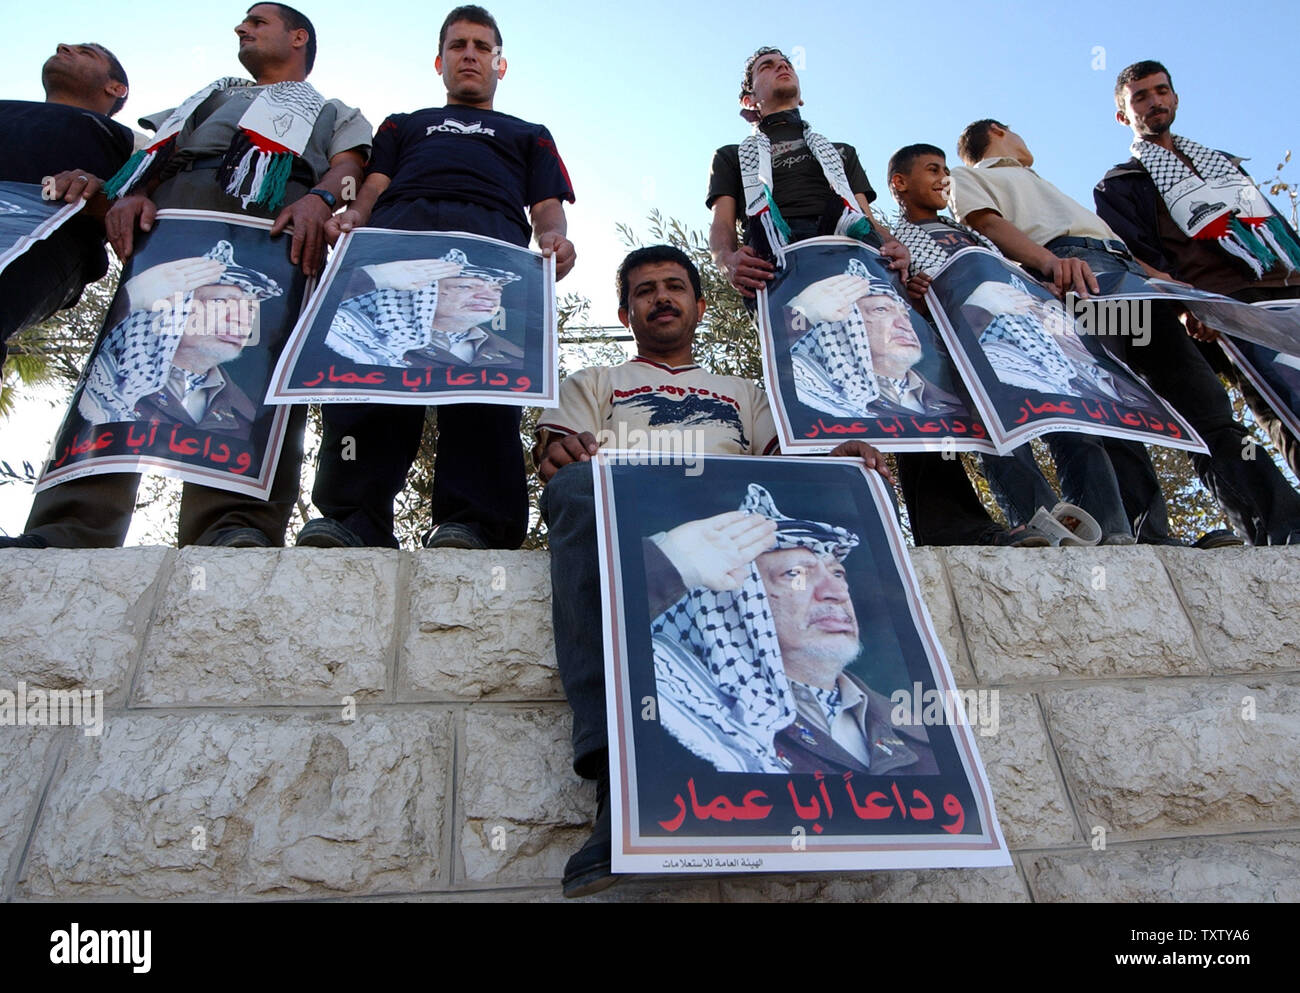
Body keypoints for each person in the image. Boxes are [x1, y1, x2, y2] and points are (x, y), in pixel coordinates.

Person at [535, 244, 893, 897]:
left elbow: (790, 470)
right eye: (645, 290)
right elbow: (560, 465)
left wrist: (841, 456)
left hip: (737, 534)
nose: (661, 298)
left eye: (675, 286)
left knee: (848, 489)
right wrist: (567, 455)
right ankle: (623, 787)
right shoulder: (594, 383)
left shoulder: (745, 394)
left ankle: (830, 782)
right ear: (624, 310)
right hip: (638, 531)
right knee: (577, 492)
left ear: (701, 306)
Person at [1, 3, 371, 550]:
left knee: (253, 363)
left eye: (257, 21)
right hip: (174, 216)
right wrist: (132, 198)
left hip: (276, 223)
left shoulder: (335, 110)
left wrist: (320, 198)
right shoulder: (207, 99)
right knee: (123, 360)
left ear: (298, 38)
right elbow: (151, 160)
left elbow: (348, 170)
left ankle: (233, 526)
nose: (242, 29)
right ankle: (69, 526)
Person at [707, 47, 1031, 548]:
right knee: (814, 396)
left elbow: (863, 214)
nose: (781, 66)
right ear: (749, 97)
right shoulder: (733, 156)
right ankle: (836, 536)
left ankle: (954, 527)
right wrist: (729, 263)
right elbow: (722, 228)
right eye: (766, 66)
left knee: (906, 385)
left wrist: (891, 245)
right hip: (782, 275)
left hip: (860, 267)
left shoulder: (839, 150)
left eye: (785, 61)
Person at [296, 5, 575, 552]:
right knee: (368, 381)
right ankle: (354, 518)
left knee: (485, 388)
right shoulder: (405, 123)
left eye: (481, 46)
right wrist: (354, 215)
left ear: (500, 64)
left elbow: (546, 205)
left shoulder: (528, 134)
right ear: (439, 61)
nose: (469, 54)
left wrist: (554, 238)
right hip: (399, 242)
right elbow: (373, 185)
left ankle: (475, 524)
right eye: (457, 45)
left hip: (491, 249)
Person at [950, 119, 1300, 546]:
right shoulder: (970, 176)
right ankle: (1146, 533)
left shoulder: (1039, 181)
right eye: (1017, 132)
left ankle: (1280, 526)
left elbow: (1112, 240)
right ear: (998, 131)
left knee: (1205, 403)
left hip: (1130, 275)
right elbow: (986, 223)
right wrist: (1048, 264)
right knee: (1114, 407)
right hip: (1077, 275)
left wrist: (1164, 281)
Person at [1095, 59, 1300, 479]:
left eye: (1161, 91)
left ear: (1175, 96)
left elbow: (1274, 227)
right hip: (1226, 305)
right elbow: (1134, 256)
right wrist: (1186, 308)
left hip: (1287, 285)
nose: (1154, 102)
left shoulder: (1222, 163)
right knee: (1283, 402)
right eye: (1141, 97)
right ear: (1123, 115)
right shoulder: (1119, 183)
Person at [651, 482, 937, 778]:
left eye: (838, 573)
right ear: (739, 604)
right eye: (796, 574)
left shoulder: (916, 728)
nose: (836, 591)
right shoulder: (690, 717)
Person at [0, 43, 132, 366]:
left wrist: (101, 189)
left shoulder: (133, 146)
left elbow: (145, 208)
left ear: (115, 88)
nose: (63, 47)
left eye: (86, 52)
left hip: (48, 240)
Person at [77, 240, 281, 434]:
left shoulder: (249, 415)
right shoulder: (111, 381)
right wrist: (131, 296)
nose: (241, 320)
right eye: (221, 302)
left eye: (250, 309)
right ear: (176, 308)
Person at [784, 258, 964, 418]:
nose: (904, 324)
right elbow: (776, 347)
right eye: (881, 310)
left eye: (906, 315)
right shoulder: (813, 388)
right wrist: (802, 312)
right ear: (845, 327)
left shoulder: (952, 402)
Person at [324, 247, 522, 368]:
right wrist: (375, 277)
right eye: (467, 286)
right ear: (423, 292)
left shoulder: (513, 356)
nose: (488, 296)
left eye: (497, 289)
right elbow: (315, 312)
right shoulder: (358, 336)